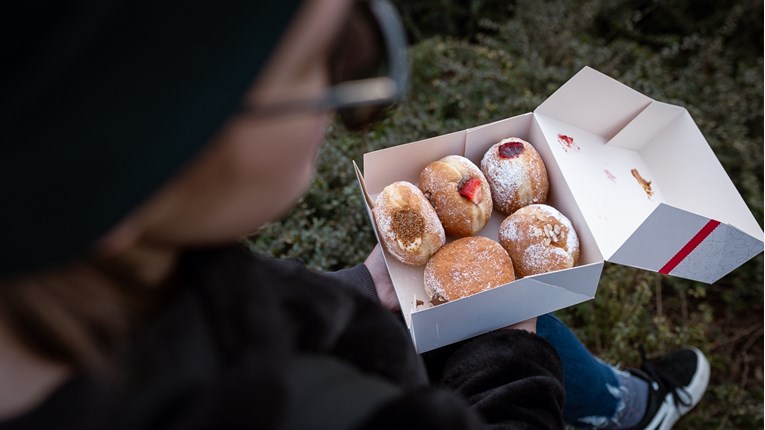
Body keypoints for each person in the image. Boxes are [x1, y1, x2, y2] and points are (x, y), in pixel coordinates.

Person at [0, 1, 708, 429]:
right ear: (122, 169)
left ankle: (620, 402)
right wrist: (510, 358)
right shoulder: (320, 416)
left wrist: (357, 290)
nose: (351, 103)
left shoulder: (111, 284)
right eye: (331, 57)